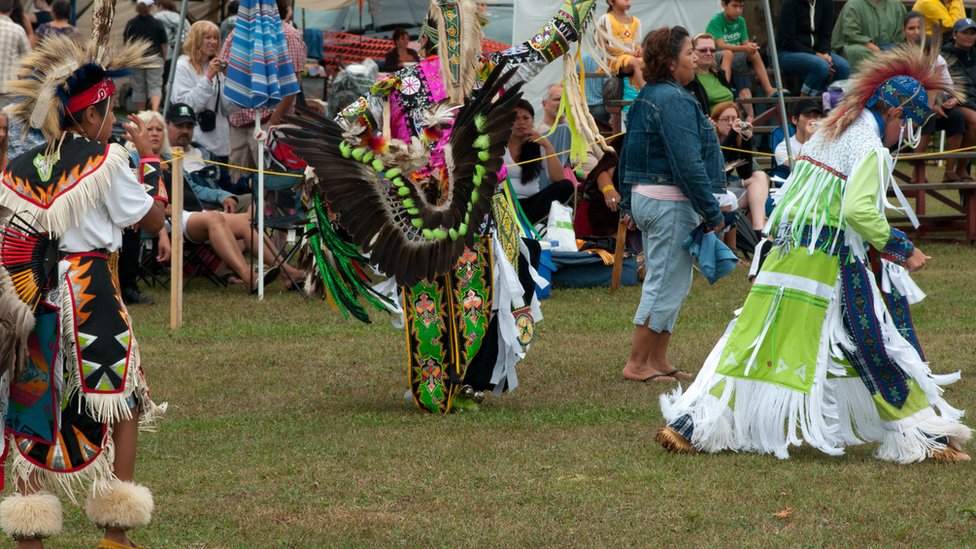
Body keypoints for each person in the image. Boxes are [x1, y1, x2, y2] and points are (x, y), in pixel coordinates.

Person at [657, 43, 972, 464]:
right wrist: (901, 248)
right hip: (830, 259)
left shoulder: (832, 129)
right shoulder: (869, 146)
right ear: (896, 114)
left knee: (750, 337)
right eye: (911, 127)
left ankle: (692, 424)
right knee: (872, 341)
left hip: (787, 252)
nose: (907, 139)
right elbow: (857, 209)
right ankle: (921, 435)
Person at [282, 0, 599, 413]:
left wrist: (324, 162)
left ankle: (434, 386)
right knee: (471, 292)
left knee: (431, 289)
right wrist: (580, 8)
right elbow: (545, 45)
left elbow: (348, 127)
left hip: (421, 212)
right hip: (471, 209)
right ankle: (463, 381)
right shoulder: (484, 72)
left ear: (423, 41)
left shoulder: (399, 83)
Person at [0, 33, 167, 548]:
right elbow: (154, 219)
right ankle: (114, 536)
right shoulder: (106, 160)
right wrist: (149, 161)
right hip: (91, 294)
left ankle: (29, 540)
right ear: (91, 116)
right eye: (110, 112)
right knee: (121, 403)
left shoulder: (21, 167)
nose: (115, 122)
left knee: (32, 411)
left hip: (32, 299)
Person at [618, 26, 726, 384]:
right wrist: (711, 211)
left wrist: (628, 203)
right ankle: (637, 364)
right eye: (689, 53)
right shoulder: (675, 100)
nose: (695, 58)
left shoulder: (648, 94)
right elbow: (687, 163)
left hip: (651, 199)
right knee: (664, 282)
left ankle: (658, 359)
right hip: (668, 202)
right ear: (670, 61)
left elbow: (626, 155)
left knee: (673, 282)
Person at [152, 107, 304, 290]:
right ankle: (247, 275)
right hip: (167, 216)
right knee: (214, 217)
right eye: (149, 130)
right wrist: (159, 209)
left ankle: (288, 273)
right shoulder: (136, 160)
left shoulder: (181, 157)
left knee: (248, 219)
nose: (155, 134)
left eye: (158, 130)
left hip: (194, 210)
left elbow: (197, 188)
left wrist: (228, 193)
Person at [220, 0, 306, 180]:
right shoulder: (239, 33)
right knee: (237, 182)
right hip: (239, 122)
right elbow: (225, 68)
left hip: (269, 122)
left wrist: (273, 122)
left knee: (269, 182)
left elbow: (291, 84)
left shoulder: (289, 35)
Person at [904, 11, 972, 182]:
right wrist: (933, 106)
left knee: (956, 116)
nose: (930, 58)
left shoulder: (939, 60)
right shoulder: (906, 63)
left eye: (932, 54)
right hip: (913, 106)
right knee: (928, 117)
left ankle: (950, 171)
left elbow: (949, 87)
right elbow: (909, 94)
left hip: (939, 103)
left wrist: (953, 100)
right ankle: (917, 173)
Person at [171, 20, 232, 163]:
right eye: (208, 37)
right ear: (197, 39)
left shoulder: (216, 66)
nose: (213, 42)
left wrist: (228, 79)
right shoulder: (183, 66)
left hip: (220, 145)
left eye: (216, 38)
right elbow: (186, 107)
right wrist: (208, 78)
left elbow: (227, 108)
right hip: (195, 145)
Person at [506, 99, 576, 224]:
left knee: (566, 185)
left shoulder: (539, 145)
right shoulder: (499, 147)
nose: (521, 122)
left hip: (532, 203)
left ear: (532, 121)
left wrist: (547, 145)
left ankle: (524, 223)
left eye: (525, 118)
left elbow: (558, 177)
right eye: (515, 118)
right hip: (504, 203)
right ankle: (521, 223)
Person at [711, 101, 769, 231]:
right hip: (715, 190)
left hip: (730, 189)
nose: (731, 123)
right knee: (754, 196)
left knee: (759, 176)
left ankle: (759, 227)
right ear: (716, 121)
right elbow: (717, 170)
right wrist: (731, 136)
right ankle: (759, 234)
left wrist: (746, 140)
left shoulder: (736, 138)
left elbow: (745, 174)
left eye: (734, 119)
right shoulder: (710, 139)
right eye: (726, 119)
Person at [707, 0, 782, 98]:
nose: (738, 10)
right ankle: (724, 89)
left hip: (735, 56)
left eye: (741, 7)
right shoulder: (716, 20)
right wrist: (744, 47)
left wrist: (751, 47)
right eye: (734, 6)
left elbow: (745, 43)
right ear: (723, 5)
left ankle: (769, 89)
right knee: (728, 53)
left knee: (754, 53)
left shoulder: (741, 21)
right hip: (716, 57)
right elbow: (721, 46)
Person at [777, 0, 851, 98]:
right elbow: (788, 41)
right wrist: (817, 55)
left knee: (843, 66)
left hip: (817, 53)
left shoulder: (826, 3)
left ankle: (834, 104)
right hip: (788, 52)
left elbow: (826, 35)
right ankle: (804, 103)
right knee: (821, 66)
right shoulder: (790, 3)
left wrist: (825, 54)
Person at [831, 0, 907, 72]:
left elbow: (902, 34)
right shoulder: (853, 4)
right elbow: (851, 33)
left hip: (891, 47)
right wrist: (875, 49)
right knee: (858, 52)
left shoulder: (896, 5)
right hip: (860, 46)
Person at [124, 0, 168, 112]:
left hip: (137, 59)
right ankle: (155, 113)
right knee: (155, 86)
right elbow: (164, 45)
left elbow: (127, 43)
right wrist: (164, 59)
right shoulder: (157, 23)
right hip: (155, 58)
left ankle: (142, 115)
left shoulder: (131, 23)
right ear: (151, 6)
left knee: (138, 88)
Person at [595, 0, 644, 90]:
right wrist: (626, 52)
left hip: (632, 58)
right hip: (614, 60)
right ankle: (644, 91)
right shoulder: (606, 19)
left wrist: (639, 51)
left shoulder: (635, 21)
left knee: (647, 61)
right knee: (636, 62)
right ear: (610, 1)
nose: (628, 1)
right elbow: (602, 44)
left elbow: (636, 44)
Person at [685, 33, 737, 117]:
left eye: (712, 50)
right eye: (703, 50)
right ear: (692, 52)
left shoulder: (719, 74)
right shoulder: (689, 79)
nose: (709, 53)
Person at [774, 99, 824, 167]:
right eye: (807, 116)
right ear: (794, 119)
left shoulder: (826, 144)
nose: (813, 120)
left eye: (815, 116)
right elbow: (794, 168)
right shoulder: (784, 147)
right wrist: (807, 141)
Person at [0, 0, 31, 110]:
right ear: (11, 10)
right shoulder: (18, 30)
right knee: (5, 124)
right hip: (9, 87)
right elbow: (29, 59)